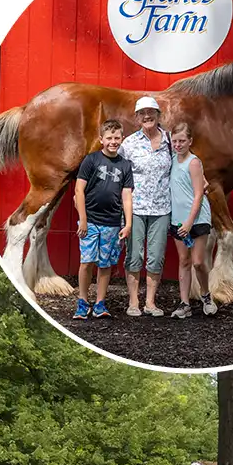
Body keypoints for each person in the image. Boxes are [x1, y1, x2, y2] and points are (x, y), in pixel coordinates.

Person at [121, 95, 176, 316]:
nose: (147, 116)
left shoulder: (170, 141)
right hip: (135, 208)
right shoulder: (129, 144)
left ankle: (151, 302)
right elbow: (121, 175)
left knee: (156, 256)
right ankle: (134, 302)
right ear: (136, 117)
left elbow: (182, 165)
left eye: (151, 112)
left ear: (158, 115)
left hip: (162, 208)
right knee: (134, 255)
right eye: (142, 113)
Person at [72, 120, 133, 320]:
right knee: (87, 261)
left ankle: (100, 303)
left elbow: (126, 197)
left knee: (105, 264)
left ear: (122, 139)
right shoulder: (91, 160)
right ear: (101, 140)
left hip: (112, 223)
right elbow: (79, 190)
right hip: (90, 221)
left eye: (117, 138)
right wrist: (83, 219)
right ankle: (82, 301)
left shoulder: (125, 165)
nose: (113, 142)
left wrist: (128, 224)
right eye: (109, 138)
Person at [166, 122, 217, 319]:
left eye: (182, 141)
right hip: (178, 219)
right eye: (175, 141)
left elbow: (198, 195)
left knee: (197, 262)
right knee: (184, 261)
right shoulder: (172, 160)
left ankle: (206, 296)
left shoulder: (194, 162)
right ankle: (184, 303)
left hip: (197, 219)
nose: (178, 145)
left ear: (190, 141)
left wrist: (189, 222)